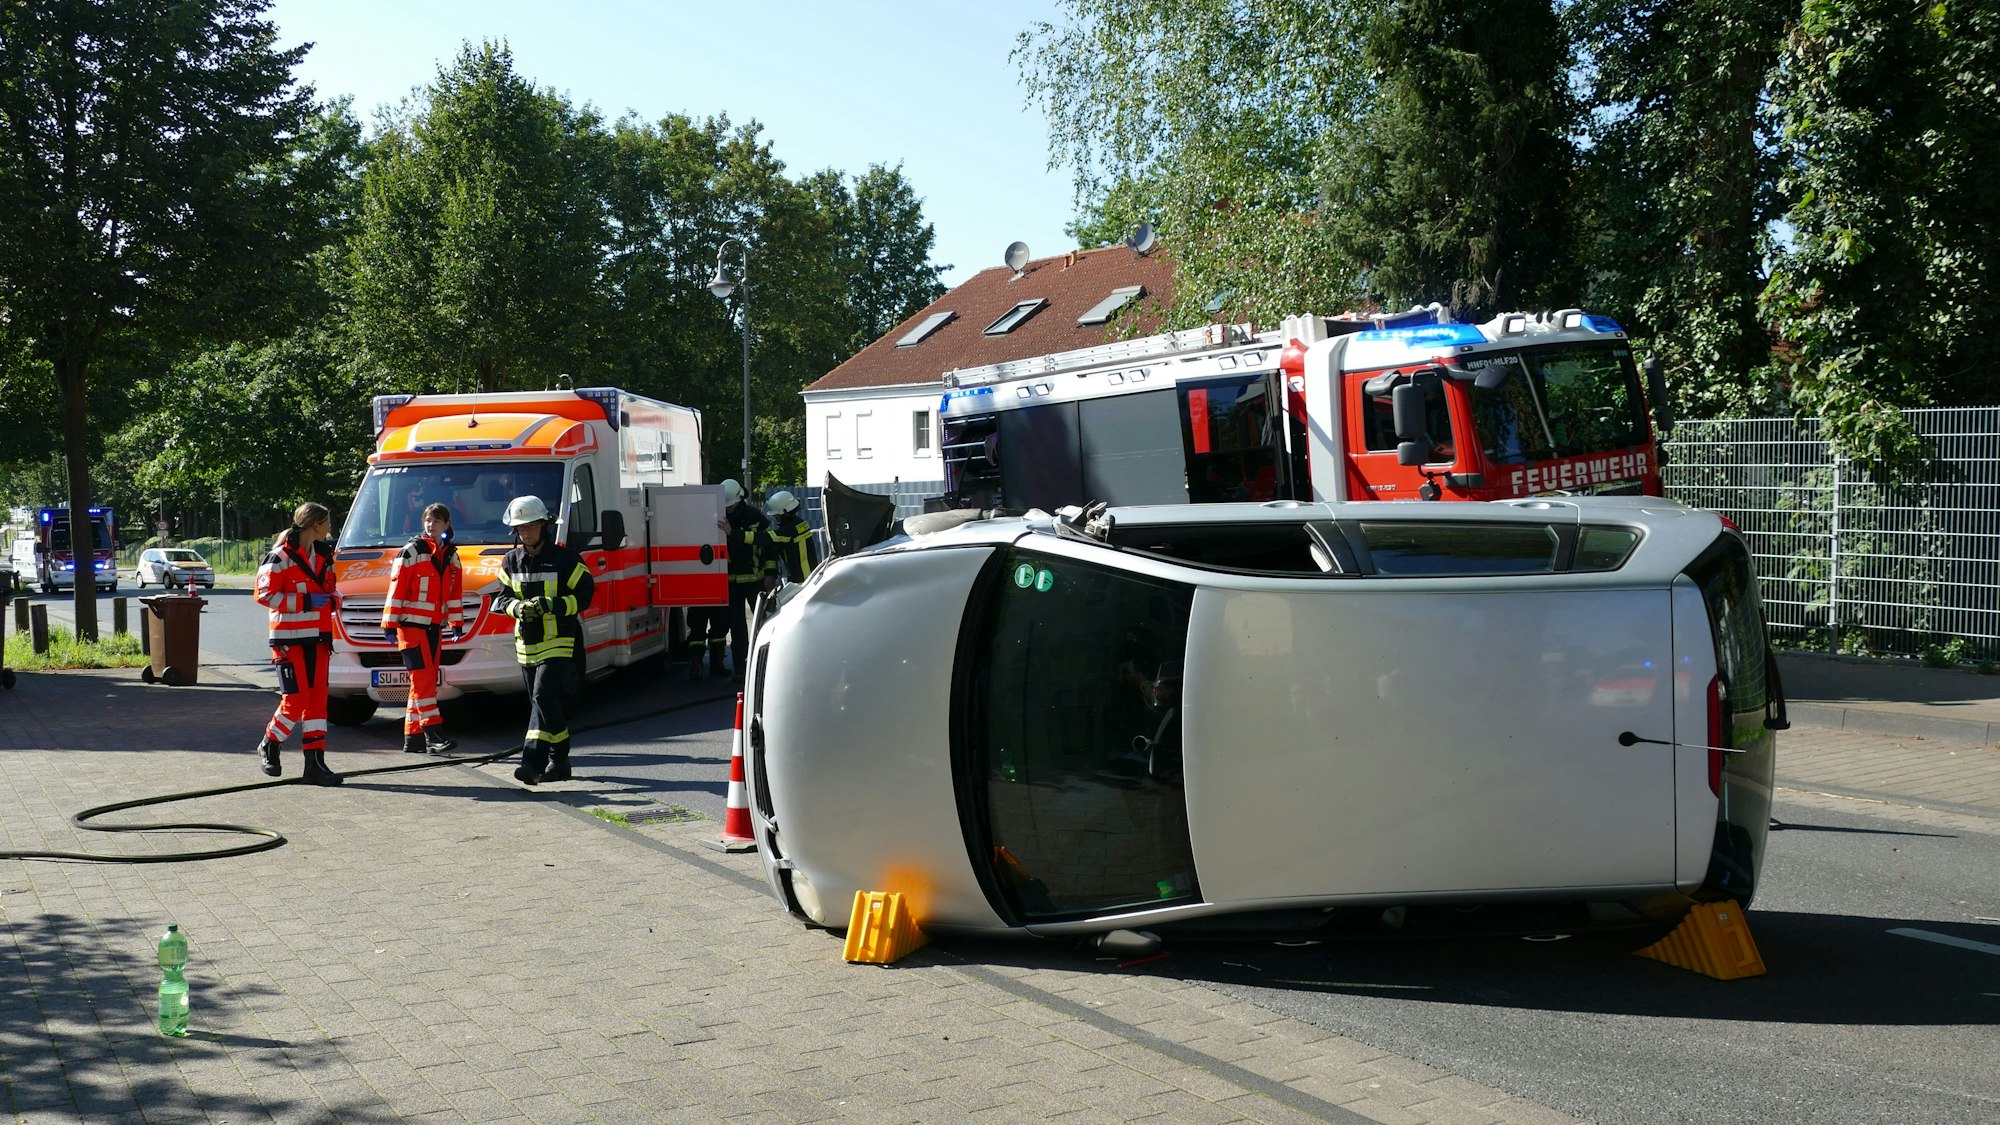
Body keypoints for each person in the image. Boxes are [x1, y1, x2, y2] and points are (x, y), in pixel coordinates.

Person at [492, 495, 594, 785]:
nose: (526, 532)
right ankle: (560, 759)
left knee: (542, 697)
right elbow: (500, 599)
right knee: (545, 705)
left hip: (559, 639)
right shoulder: (512, 561)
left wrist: (552, 604)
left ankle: (532, 763)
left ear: (544, 525)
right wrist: (518, 607)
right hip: (526, 644)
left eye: (531, 526)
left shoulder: (566, 559)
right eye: (521, 528)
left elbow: (585, 595)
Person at [254, 502, 343, 785]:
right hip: (288, 642)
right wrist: (305, 602)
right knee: (295, 701)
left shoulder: (325, 556)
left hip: (318, 639)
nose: (330, 528)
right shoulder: (279, 557)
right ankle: (270, 743)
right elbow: (264, 594)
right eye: (327, 522)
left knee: (317, 703)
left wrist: (334, 600)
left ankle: (315, 764)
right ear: (315, 525)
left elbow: (332, 588)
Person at [381, 502, 464, 755]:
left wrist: (457, 622)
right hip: (410, 628)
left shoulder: (451, 555)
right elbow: (396, 590)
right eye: (428, 520)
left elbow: (454, 593)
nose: (431, 525)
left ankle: (413, 738)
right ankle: (434, 733)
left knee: (423, 683)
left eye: (437, 521)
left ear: (446, 524)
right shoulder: (411, 551)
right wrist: (389, 623)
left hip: (433, 629)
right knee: (424, 681)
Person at [705, 479, 775, 680]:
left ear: (739, 499)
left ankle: (765, 668)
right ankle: (741, 670)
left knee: (764, 624)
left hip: (756, 581)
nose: (729, 509)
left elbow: (770, 547)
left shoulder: (755, 517)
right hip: (731, 582)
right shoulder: (716, 516)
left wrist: (770, 573)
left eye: (731, 505)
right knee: (737, 629)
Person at [765, 491, 820, 584]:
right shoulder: (799, 523)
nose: (775, 517)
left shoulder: (789, 529)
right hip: (809, 578)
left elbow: (767, 538)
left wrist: (735, 534)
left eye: (777, 514)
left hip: (802, 580)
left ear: (785, 512)